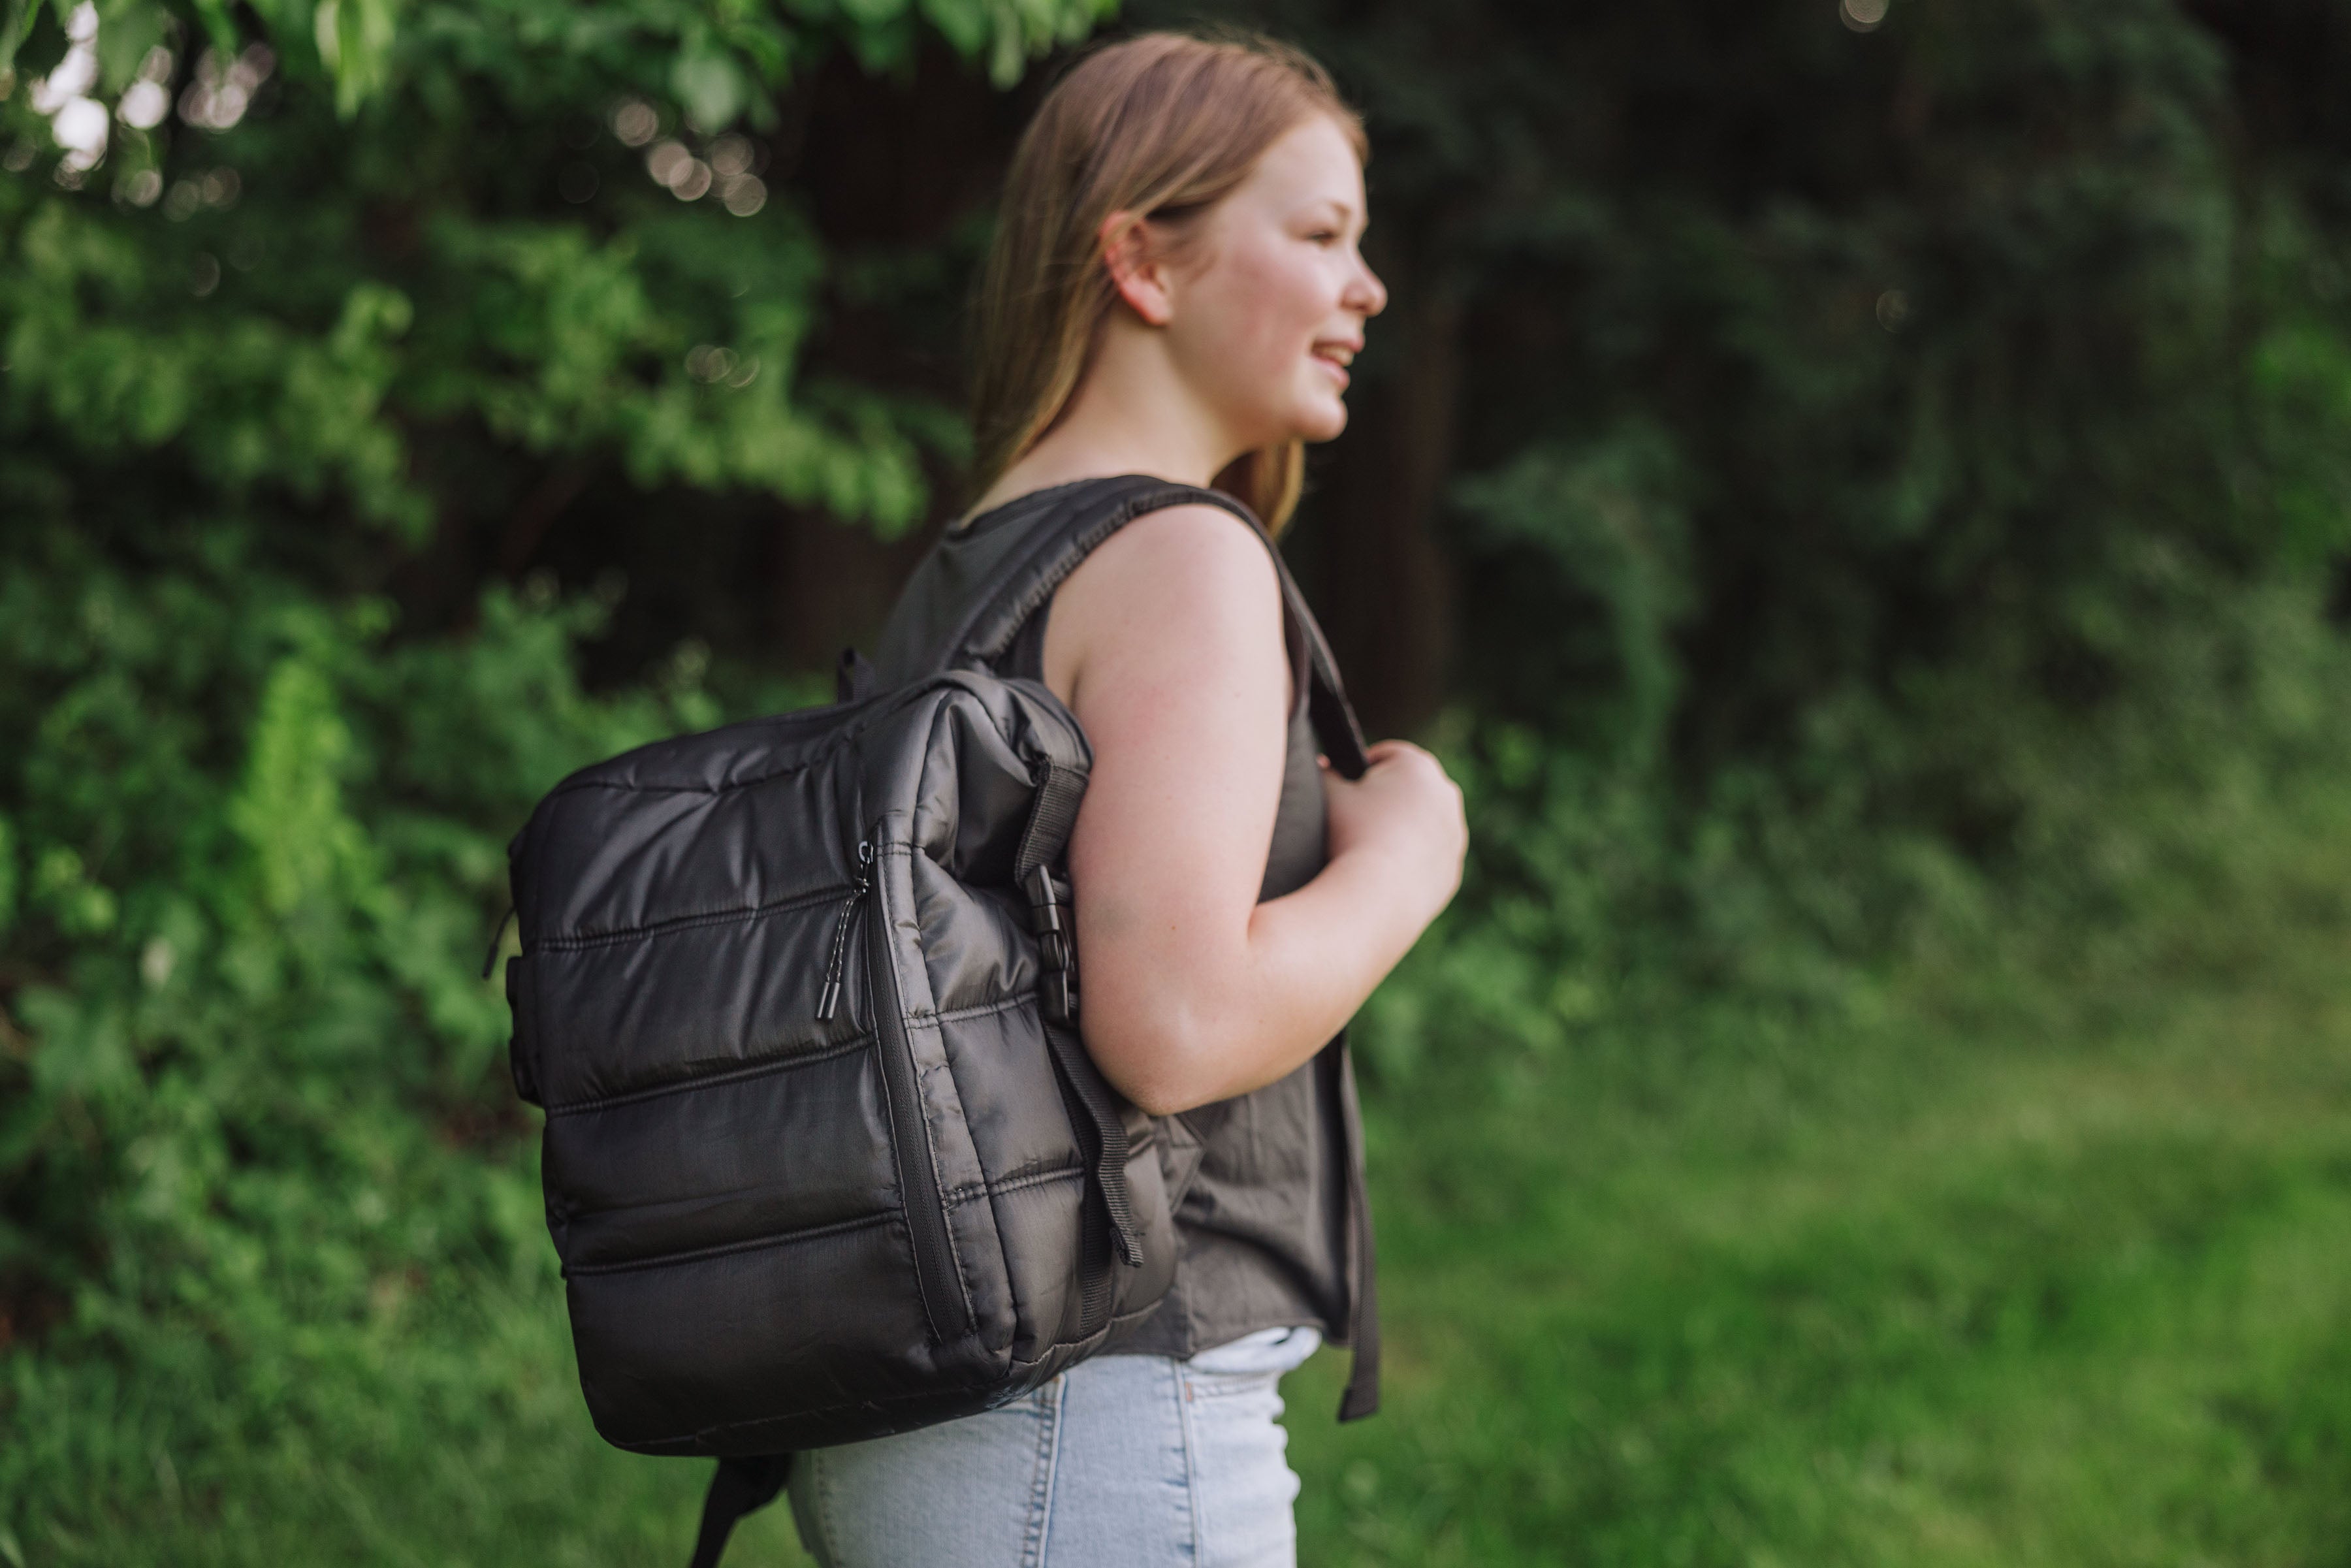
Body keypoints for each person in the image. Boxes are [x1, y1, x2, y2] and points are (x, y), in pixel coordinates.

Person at [791, 30, 1467, 1567]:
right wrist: (1414, 856)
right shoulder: (1181, 558)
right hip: (1085, 1425)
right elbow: (1174, 1022)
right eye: (1320, 236)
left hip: (925, 1415)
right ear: (1143, 264)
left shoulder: (979, 563)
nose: (1367, 287)